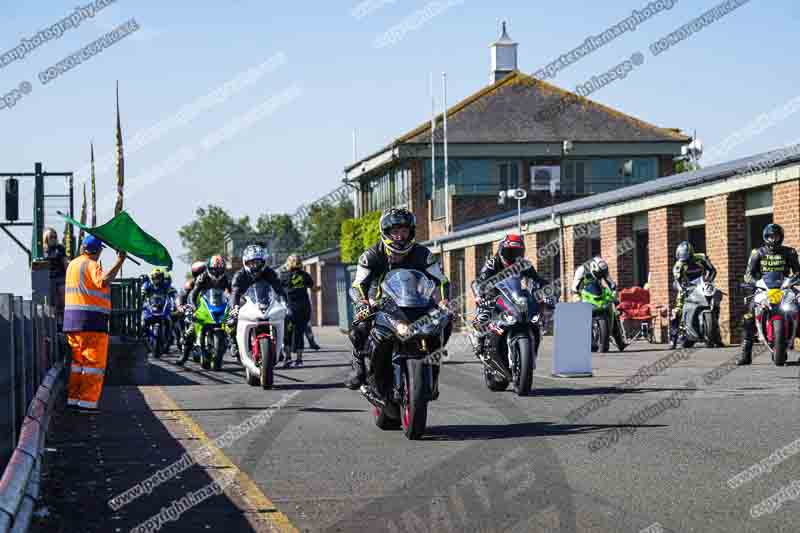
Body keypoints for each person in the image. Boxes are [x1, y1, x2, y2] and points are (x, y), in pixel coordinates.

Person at [345, 207, 451, 390]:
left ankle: (434, 369)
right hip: (381, 303)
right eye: (395, 231)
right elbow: (358, 284)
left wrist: (443, 301)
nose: (400, 236)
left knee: (445, 320)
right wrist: (362, 302)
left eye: (404, 231)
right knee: (360, 326)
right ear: (386, 232)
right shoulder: (371, 256)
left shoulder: (423, 254)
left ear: (411, 232)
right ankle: (358, 365)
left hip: (417, 303)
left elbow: (441, 281)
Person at [63, 235, 126, 412]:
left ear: (82, 248)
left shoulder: (72, 265)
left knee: (78, 365)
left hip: (72, 322)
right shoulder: (91, 264)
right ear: (98, 251)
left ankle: (73, 400)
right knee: (93, 365)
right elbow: (103, 281)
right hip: (92, 322)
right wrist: (120, 261)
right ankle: (87, 404)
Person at [471, 233, 549, 353]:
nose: (513, 257)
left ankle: (534, 333)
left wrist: (547, 290)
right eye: (509, 253)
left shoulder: (524, 264)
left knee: (535, 306)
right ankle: (479, 338)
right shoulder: (493, 263)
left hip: (514, 294)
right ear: (501, 251)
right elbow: (478, 282)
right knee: (484, 313)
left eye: (517, 253)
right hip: (494, 293)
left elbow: (537, 279)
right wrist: (479, 295)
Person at [739, 224, 800, 365]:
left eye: (776, 236)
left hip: (784, 288)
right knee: (749, 315)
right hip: (764, 288)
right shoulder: (757, 253)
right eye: (770, 237)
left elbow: (798, 271)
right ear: (765, 237)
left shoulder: (789, 252)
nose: (773, 239)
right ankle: (746, 355)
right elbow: (748, 274)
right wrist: (755, 282)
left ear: (781, 237)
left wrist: (794, 279)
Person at [229, 245, 286, 360]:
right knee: (231, 318)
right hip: (245, 302)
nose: (255, 266)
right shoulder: (239, 275)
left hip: (265, 301)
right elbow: (235, 293)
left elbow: (279, 289)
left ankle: (280, 346)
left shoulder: (270, 272)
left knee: (287, 318)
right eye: (251, 262)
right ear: (245, 262)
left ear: (263, 262)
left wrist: (285, 303)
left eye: (258, 262)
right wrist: (234, 309)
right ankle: (234, 342)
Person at [179, 255, 230, 365]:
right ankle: (184, 355)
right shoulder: (200, 279)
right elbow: (192, 295)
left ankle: (235, 346)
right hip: (201, 307)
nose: (217, 272)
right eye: (214, 269)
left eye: (219, 269)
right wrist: (191, 307)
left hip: (217, 305)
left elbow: (232, 292)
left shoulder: (225, 278)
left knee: (232, 323)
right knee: (191, 330)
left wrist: (234, 302)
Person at [572, 256, 627, 350]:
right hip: (584, 293)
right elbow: (574, 287)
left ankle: (620, 342)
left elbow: (611, 283)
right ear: (593, 269)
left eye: (603, 273)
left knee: (613, 311)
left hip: (598, 292)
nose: (601, 276)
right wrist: (577, 296)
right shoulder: (581, 270)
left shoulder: (602, 270)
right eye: (599, 274)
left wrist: (614, 292)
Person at [670, 241, 718, 347]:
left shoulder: (701, 258)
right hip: (687, 287)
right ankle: (673, 339)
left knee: (715, 303)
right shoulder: (678, 265)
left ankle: (716, 335)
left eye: (687, 258)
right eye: (683, 259)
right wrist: (681, 289)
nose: (685, 261)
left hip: (702, 285)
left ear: (691, 254)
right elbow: (677, 281)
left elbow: (712, 270)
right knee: (676, 311)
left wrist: (709, 281)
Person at [280, 254, 315, 368]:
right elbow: (312, 287)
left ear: (288, 263)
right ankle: (299, 360)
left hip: (289, 308)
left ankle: (288, 358)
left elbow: (277, 289)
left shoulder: (284, 276)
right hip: (303, 308)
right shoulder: (305, 275)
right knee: (299, 333)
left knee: (287, 334)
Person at [43, 227, 69, 330]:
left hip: (61, 277)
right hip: (49, 279)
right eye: (51, 237)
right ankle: (54, 323)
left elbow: (65, 262)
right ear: (46, 238)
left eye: (55, 236)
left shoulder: (60, 248)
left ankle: (63, 322)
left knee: (62, 300)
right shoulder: (43, 250)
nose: (53, 239)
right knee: (52, 302)